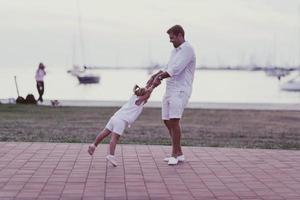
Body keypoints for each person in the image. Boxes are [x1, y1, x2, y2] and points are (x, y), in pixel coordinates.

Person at [146, 25, 196, 165]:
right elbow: (168, 67)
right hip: (170, 89)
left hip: (181, 90)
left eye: (172, 38)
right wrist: (154, 75)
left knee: (174, 120)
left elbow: (175, 70)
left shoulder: (187, 50)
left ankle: (174, 153)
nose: (170, 41)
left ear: (180, 35)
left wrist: (158, 78)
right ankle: (179, 152)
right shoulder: (174, 51)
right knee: (166, 120)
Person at [87, 84, 155, 167]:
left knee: (105, 133)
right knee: (115, 138)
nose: (148, 97)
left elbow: (146, 95)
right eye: (146, 95)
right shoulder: (138, 100)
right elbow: (147, 95)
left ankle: (93, 145)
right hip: (121, 120)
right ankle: (111, 155)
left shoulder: (134, 97)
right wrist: (154, 86)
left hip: (115, 117)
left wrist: (151, 85)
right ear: (143, 95)